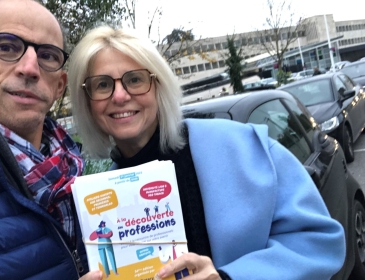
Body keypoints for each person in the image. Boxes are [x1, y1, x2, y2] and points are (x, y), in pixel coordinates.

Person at [68, 26, 346, 279]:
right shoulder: (98, 202)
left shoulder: (245, 147)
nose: (119, 96)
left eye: (136, 79)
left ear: (159, 86)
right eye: (102, 85)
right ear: (87, 102)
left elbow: (320, 242)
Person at [0, 0, 102, 279]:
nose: (30, 68)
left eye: (47, 55)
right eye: (6, 46)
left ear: (59, 85)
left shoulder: (86, 175)